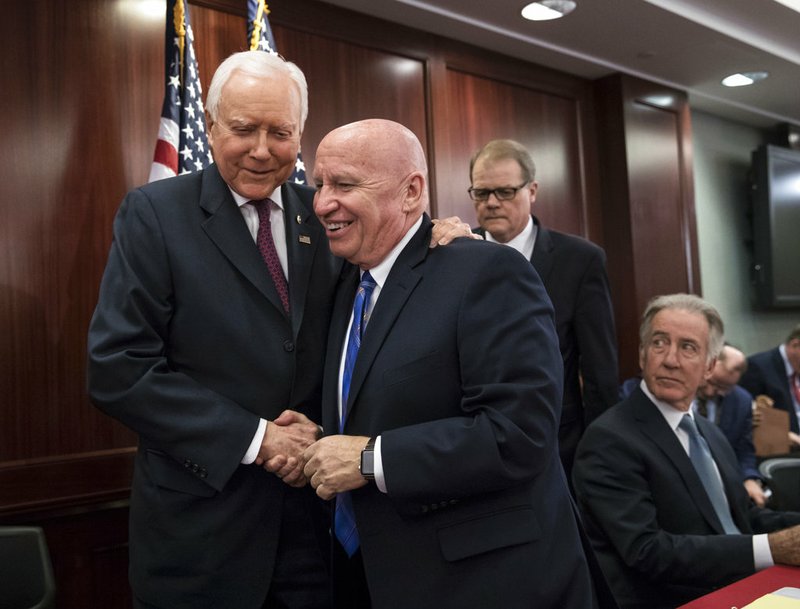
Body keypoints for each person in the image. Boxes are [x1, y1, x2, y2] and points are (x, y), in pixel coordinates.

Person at [87, 51, 469, 609]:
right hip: (203, 536)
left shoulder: (325, 212)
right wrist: (260, 439)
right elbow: (117, 369)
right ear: (212, 127)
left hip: (321, 532)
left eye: (280, 132)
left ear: (301, 136)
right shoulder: (155, 215)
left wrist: (437, 240)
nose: (262, 150)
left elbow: (374, 312)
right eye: (243, 129)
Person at [303, 119, 605, 609]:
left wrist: (367, 458)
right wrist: (320, 439)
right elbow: (385, 408)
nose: (321, 203)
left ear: (411, 192)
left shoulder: (488, 271)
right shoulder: (347, 285)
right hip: (372, 575)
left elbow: (519, 435)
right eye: (319, 185)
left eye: (344, 185)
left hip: (485, 583)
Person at [572, 294, 800, 609]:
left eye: (688, 347)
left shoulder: (710, 433)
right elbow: (647, 551)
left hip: (747, 588)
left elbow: (740, 517)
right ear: (641, 355)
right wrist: (771, 548)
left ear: (709, 367)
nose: (670, 359)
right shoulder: (609, 439)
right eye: (659, 343)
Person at [469, 139, 618, 477]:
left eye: (505, 192)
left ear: (532, 190)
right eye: (481, 193)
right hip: (474, 445)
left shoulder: (580, 260)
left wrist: (600, 453)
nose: (492, 203)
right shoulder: (455, 254)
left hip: (560, 444)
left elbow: (600, 371)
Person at [695, 344, 766, 506]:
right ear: (706, 367)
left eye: (723, 387)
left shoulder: (741, 401)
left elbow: (744, 451)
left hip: (723, 488)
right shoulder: (678, 393)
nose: (710, 392)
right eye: (711, 382)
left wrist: (749, 478)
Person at [739, 325, 800, 451]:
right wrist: (782, 436)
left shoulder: (796, 367)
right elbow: (745, 417)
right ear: (795, 345)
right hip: (780, 453)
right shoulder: (757, 367)